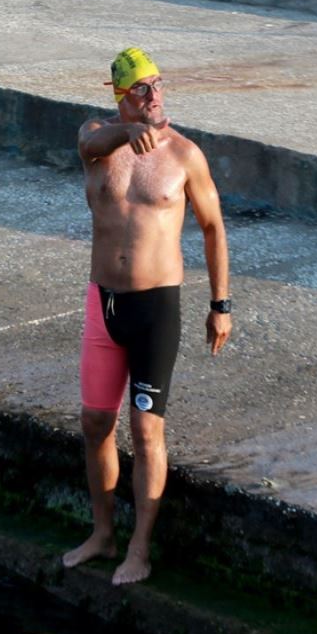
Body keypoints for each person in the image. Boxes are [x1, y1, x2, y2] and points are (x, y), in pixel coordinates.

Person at [63, 48, 231, 586]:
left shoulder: (185, 155)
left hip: (156, 307)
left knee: (145, 429)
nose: (154, 95)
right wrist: (122, 135)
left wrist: (220, 305)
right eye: (142, 89)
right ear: (120, 97)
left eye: (158, 85)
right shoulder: (97, 140)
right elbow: (91, 141)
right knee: (94, 424)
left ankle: (140, 549)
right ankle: (103, 533)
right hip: (104, 305)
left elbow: (212, 228)